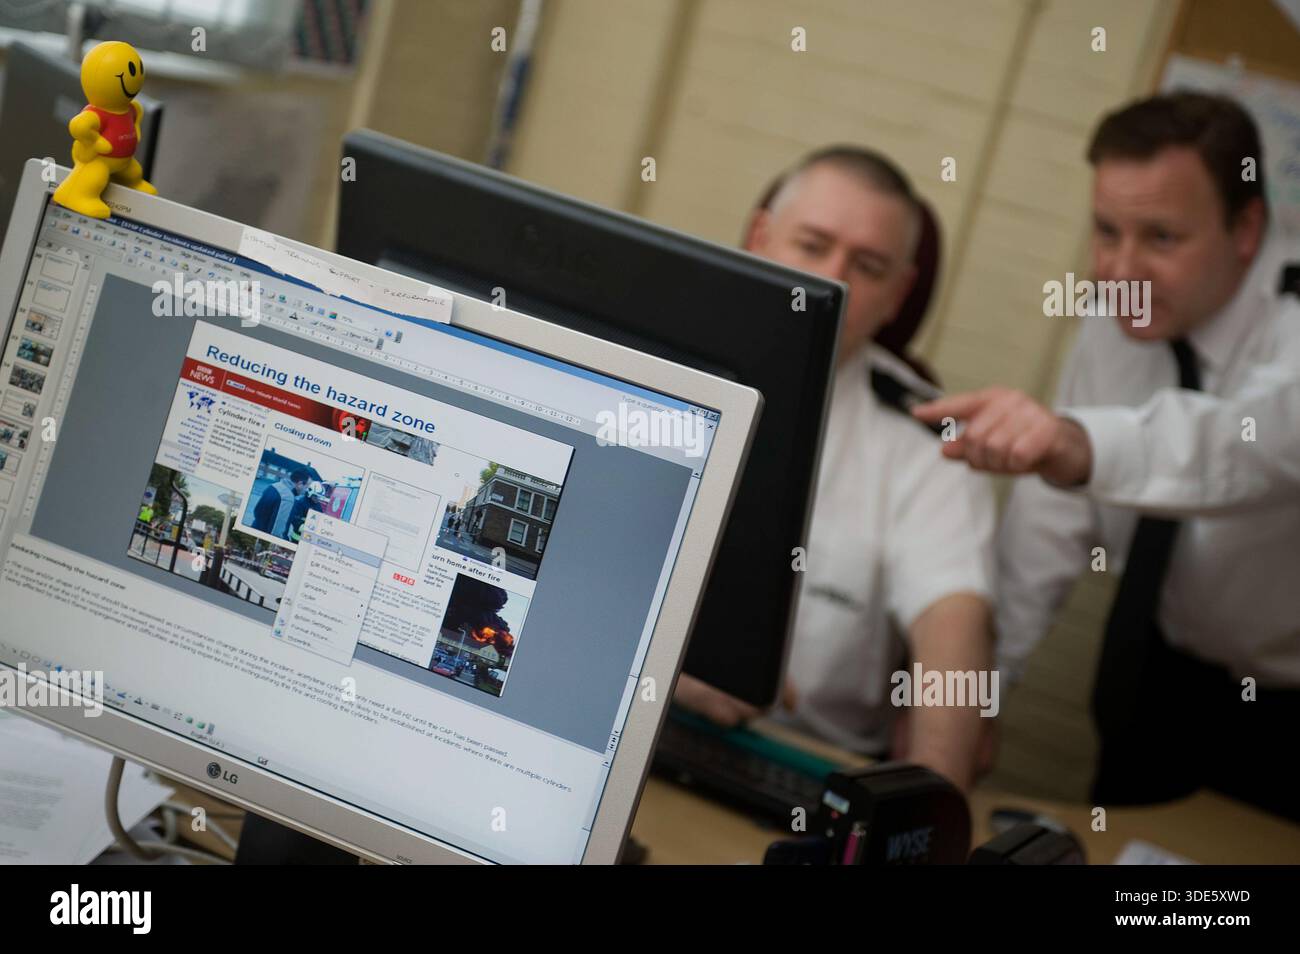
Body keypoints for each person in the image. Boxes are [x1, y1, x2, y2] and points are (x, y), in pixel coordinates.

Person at [912, 92, 1300, 820]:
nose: (1121, 268)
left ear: (1246, 228)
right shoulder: (1119, 313)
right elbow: (1052, 521)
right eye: (1105, 231)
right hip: (1154, 674)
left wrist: (1076, 441)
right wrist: (983, 690)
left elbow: (1246, 446)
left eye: (1160, 237)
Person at [675, 146, 998, 791]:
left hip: (801, 768)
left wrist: (929, 815)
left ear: (899, 294)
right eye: (813, 245)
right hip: (628, 720)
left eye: (868, 266)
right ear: (761, 238)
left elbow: (952, 620)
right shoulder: (655, 365)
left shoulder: (925, 438)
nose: (834, 281)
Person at [252, 468, 310, 540]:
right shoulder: (288, 497)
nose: (306, 490)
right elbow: (277, 531)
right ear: (300, 484)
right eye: (306, 486)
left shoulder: (274, 485)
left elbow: (257, 512)